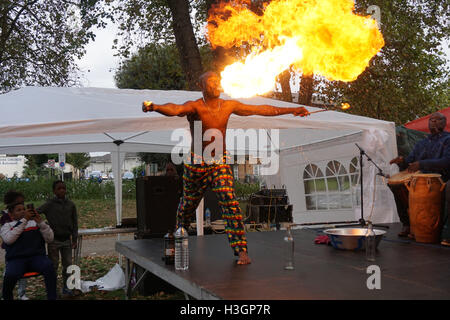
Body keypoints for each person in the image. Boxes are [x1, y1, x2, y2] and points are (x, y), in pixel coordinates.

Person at [142, 71, 310, 264]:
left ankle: (241, 250)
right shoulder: (195, 106)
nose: (216, 85)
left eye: (218, 81)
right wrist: (154, 107)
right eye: (211, 82)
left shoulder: (228, 105)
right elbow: (175, 109)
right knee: (188, 204)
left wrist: (291, 110)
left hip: (219, 161)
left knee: (230, 201)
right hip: (196, 163)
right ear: (202, 86)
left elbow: (260, 109)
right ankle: (175, 236)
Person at [389, 112, 450, 246]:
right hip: (421, 178)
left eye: (437, 120)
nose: (433, 122)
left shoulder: (448, 139)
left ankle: (445, 232)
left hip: (442, 178)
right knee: (396, 185)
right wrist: (402, 161)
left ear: (444, 123)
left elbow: (446, 161)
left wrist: (422, 164)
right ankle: (408, 224)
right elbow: (411, 161)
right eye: (431, 120)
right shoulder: (422, 143)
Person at [1, 201, 56, 300]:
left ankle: (52, 297)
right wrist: (24, 220)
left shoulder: (35, 223)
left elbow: (50, 239)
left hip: (37, 257)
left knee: (49, 267)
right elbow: (9, 240)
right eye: (19, 210)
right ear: (11, 215)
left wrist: (41, 222)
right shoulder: (7, 226)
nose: (23, 212)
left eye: (24, 209)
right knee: (10, 275)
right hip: (16, 259)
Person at [37, 180, 78, 296]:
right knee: (53, 265)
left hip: (67, 240)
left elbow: (75, 223)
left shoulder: (71, 205)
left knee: (68, 265)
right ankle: (52, 289)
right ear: (54, 191)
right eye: (59, 189)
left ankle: (67, 287)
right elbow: (36, 212)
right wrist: (42, 224)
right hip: (54, 240)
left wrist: (74, 239)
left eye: (63, 188)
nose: (62, 190)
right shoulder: (49, 204)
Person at [1, 190, 30, 300]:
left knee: (22, 273)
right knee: (8, 272)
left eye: (23, 202)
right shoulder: (5, 217)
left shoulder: (23, 213)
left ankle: (22, 293)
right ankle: (6, 293)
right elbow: (7, 232)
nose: (22, 205)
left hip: (23, 246)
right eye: (19, 202)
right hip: (12, 248)